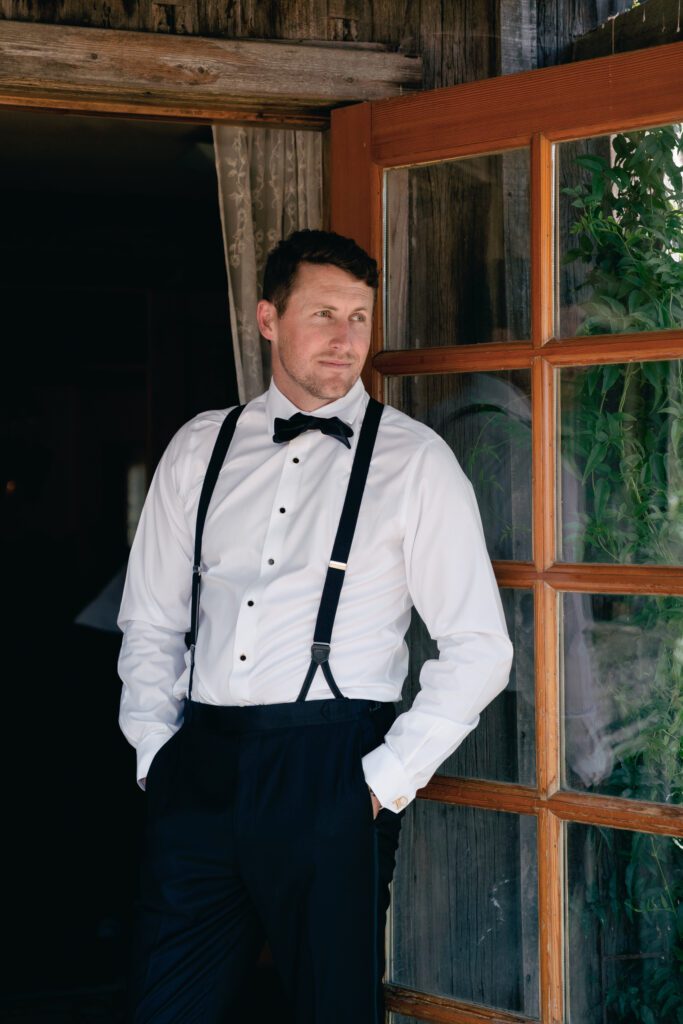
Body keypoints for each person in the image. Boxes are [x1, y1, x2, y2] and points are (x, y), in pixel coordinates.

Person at [116, 228, 514, 1024]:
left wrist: (377, 785)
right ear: (268, 319)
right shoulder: (200, 447)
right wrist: (158, 754)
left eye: (360, 318)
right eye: (323, 314)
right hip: (200, 767)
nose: (346, 340)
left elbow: (478, 645)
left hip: (331, 767)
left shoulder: (415, 460)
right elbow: (151, 619)